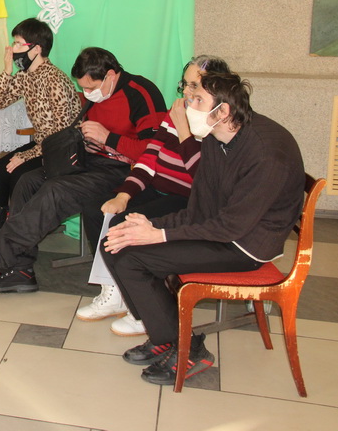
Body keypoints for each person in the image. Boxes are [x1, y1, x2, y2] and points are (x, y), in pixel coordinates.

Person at [102, 71, 305, 385]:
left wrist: (159, 234)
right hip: (222, 227)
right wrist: (151, 224)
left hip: (247, 244)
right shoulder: (216, 137)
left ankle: (189, 348)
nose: (187, 104)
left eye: (197, 100)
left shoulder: (265, 154)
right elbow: (200, 206)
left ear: (223, 111)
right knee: (117, 241)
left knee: (133, 260)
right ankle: (166, 337)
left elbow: (231, 227)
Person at [0, 47, 166, 293]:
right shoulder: (93, 95)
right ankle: (21, 270)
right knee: (28, 181)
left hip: (124, 171)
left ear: (110, 75)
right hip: (89, 161)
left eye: (91, 87)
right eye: (83, 88)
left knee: (56, 190)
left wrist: (109, 138)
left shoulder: (141, 94)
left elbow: (154, 152)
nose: (87, 94)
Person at [76, 55, 230, 336]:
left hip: (190, 199)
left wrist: (183, 130)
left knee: (123, 224)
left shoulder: (218, 122)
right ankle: (114, 291)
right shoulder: (177, 111)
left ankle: (145, 310)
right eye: (185, 84)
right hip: (158, 187)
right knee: (98, 208)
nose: (187, 92)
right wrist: (124, 194)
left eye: (194, 86)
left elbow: (203, 179)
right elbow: (149, 157)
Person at [0, 18, 81, 255]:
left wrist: (27, 155)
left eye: (18, 44)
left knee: (19, 175)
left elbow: (62, 134)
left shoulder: (54, 79)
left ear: (36, 49)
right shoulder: (26, 75)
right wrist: (7, 70)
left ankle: (14, 243)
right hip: (42, 145)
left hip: (62, 149)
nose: (12, 49)